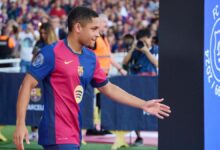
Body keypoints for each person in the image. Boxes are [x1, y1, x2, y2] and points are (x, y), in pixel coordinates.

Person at [13, 7, 171, 150]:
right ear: (78, 27)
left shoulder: (90, 58)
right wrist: (21, 124)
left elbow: (108, 88)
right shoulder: (51, 53)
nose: (98, 33)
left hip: (75, 134)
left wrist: (143, 104)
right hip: (56, 134)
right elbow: (26, 85)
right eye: (94, 28)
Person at [123, 28, 159, 146]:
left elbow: (157, 64)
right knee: (136, 108)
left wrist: (146, 51)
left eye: (146, 41)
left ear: (150, 39)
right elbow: (125, 62)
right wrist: (133, 48)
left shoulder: (155, 49)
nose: (144, 43)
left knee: (154, 107)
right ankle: (139, 137)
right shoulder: (136, 51)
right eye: (141, 41)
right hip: (136, 82)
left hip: (151, 82)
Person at [29, 22, 58, 142]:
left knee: (49, 106)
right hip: (38, 78)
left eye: (45, 32)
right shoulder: (38, 44)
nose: (43, 35)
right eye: (41, 32)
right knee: (34, 104)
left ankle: (51, 131)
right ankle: (34, 131)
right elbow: (33, 60)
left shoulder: (57, 44)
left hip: (51, 79)